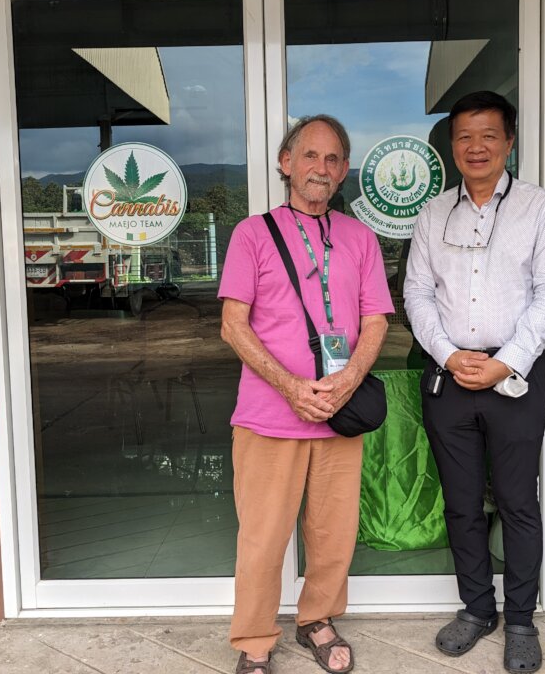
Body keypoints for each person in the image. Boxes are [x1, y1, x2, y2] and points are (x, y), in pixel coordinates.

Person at [219, 115, 393, 674]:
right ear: (286, 162)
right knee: (263, 539)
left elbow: (375, 320)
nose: (322, 167)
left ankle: (317, 618)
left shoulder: (360, 238)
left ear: (344, 171)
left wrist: (347, 381)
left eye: (333, 158)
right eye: (311, 155)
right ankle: (254, 639)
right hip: (269, 415)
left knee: (332, 534)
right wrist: (292, 387)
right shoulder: (252, 234)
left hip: (338, 414)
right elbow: (233, 326)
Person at [404, 91, 545, 673]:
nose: (476, 147)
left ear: (509, 142)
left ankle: (521, 619)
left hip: (515, 376)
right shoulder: (433, 214)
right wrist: (449, 355)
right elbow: (417, 293)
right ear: (452, 146)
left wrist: (507, 361)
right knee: (462, 503)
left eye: (489, 136)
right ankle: (477, 609)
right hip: (449, 376)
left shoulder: (539, 209)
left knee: (519, 503)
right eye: (465, 137)